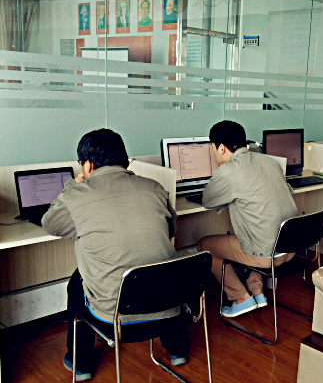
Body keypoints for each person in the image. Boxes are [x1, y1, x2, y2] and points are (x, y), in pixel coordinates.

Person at [42, 129, 189, 381]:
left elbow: (50, 224)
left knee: (77, 283)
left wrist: (73, 185)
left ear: (87, 165)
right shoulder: (154, 188)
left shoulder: (78, 195)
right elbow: (170, 230)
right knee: (159, 270)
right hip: (168, 301)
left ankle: (81, 364)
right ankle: (178, 350)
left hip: (116, 310)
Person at [197, 121, 298, 318]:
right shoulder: (270, 162)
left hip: (266, 254)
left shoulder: (228, 170)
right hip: (290, 247)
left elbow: (207, 201)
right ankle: (257, 292)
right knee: (249, 230)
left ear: (221, 148)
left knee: (204, 246)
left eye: (213, 149)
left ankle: (240, 298)